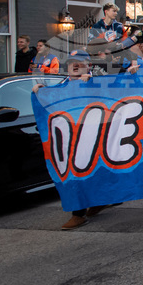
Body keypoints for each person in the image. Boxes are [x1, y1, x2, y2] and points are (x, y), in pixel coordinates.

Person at [33, 50, 115, 230]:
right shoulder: (63, 84)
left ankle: (94, 204)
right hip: (70, 139)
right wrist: (40, 92)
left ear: (89, 65)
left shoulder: (96, 82)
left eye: (79, 62)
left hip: (93, 137)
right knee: (73, 172)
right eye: (72, 62)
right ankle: (79, 213)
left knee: (94, 170)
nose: (75, 65)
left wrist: (91, 85)